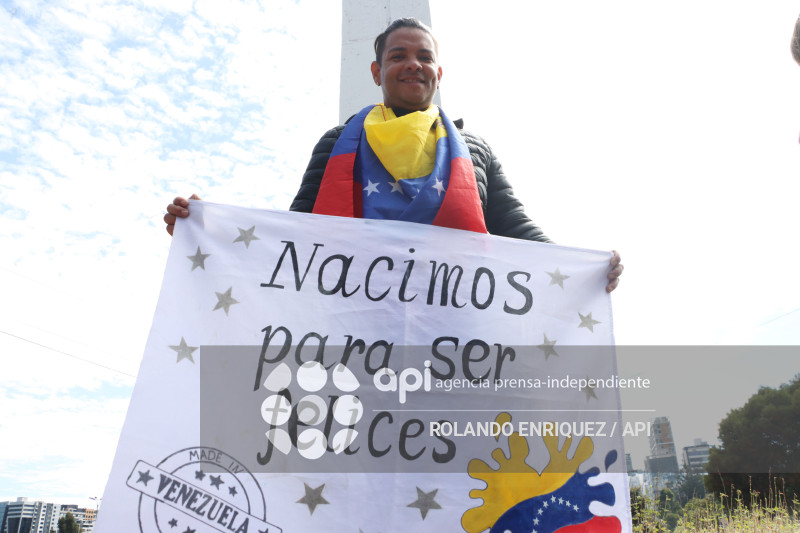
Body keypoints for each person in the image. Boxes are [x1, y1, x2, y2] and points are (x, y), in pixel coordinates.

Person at [164, 18, 623, 292]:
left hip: (457, 320)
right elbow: (297, 230)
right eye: (398, 55)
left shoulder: (476, 150)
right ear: (376, 70)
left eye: (424, 56)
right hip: (355, 317)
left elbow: (512, 225)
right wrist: (210, 230)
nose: (412, 64)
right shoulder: (336, 141)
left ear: (438, 73)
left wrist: (577, 268)